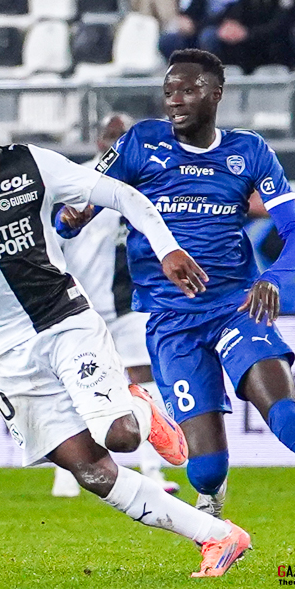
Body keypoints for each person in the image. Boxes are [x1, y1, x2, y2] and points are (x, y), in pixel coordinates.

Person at [0, 63, 252, 578]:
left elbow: (121, 194)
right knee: (91, 471)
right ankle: (218, 537)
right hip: (2, 354)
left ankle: (140, 412)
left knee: (120, 438)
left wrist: (167, 248)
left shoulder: (28, 164)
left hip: (63, 322)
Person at [56, 49, 295, 567]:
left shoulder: (250, 151)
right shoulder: (140, 143)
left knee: (289, 419)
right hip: (173, 322)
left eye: (188, 90)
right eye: (169, 90)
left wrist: (273, 278)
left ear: (216, 94)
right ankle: (212, 503)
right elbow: (76, 210)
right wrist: (74, 215)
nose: (175, 99)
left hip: (237, 307)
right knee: (206, 467)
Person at [52, 112, 180, 498]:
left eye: (122, 138)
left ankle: (152, 470)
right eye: (110, 137)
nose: (115, 145)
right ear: (98, 142)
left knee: (142, 377)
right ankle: (68, 472)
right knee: (77, 384)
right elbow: (56, 237)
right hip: (83, 304)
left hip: (128, 305)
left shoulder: (149, 179)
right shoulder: (80, 181)